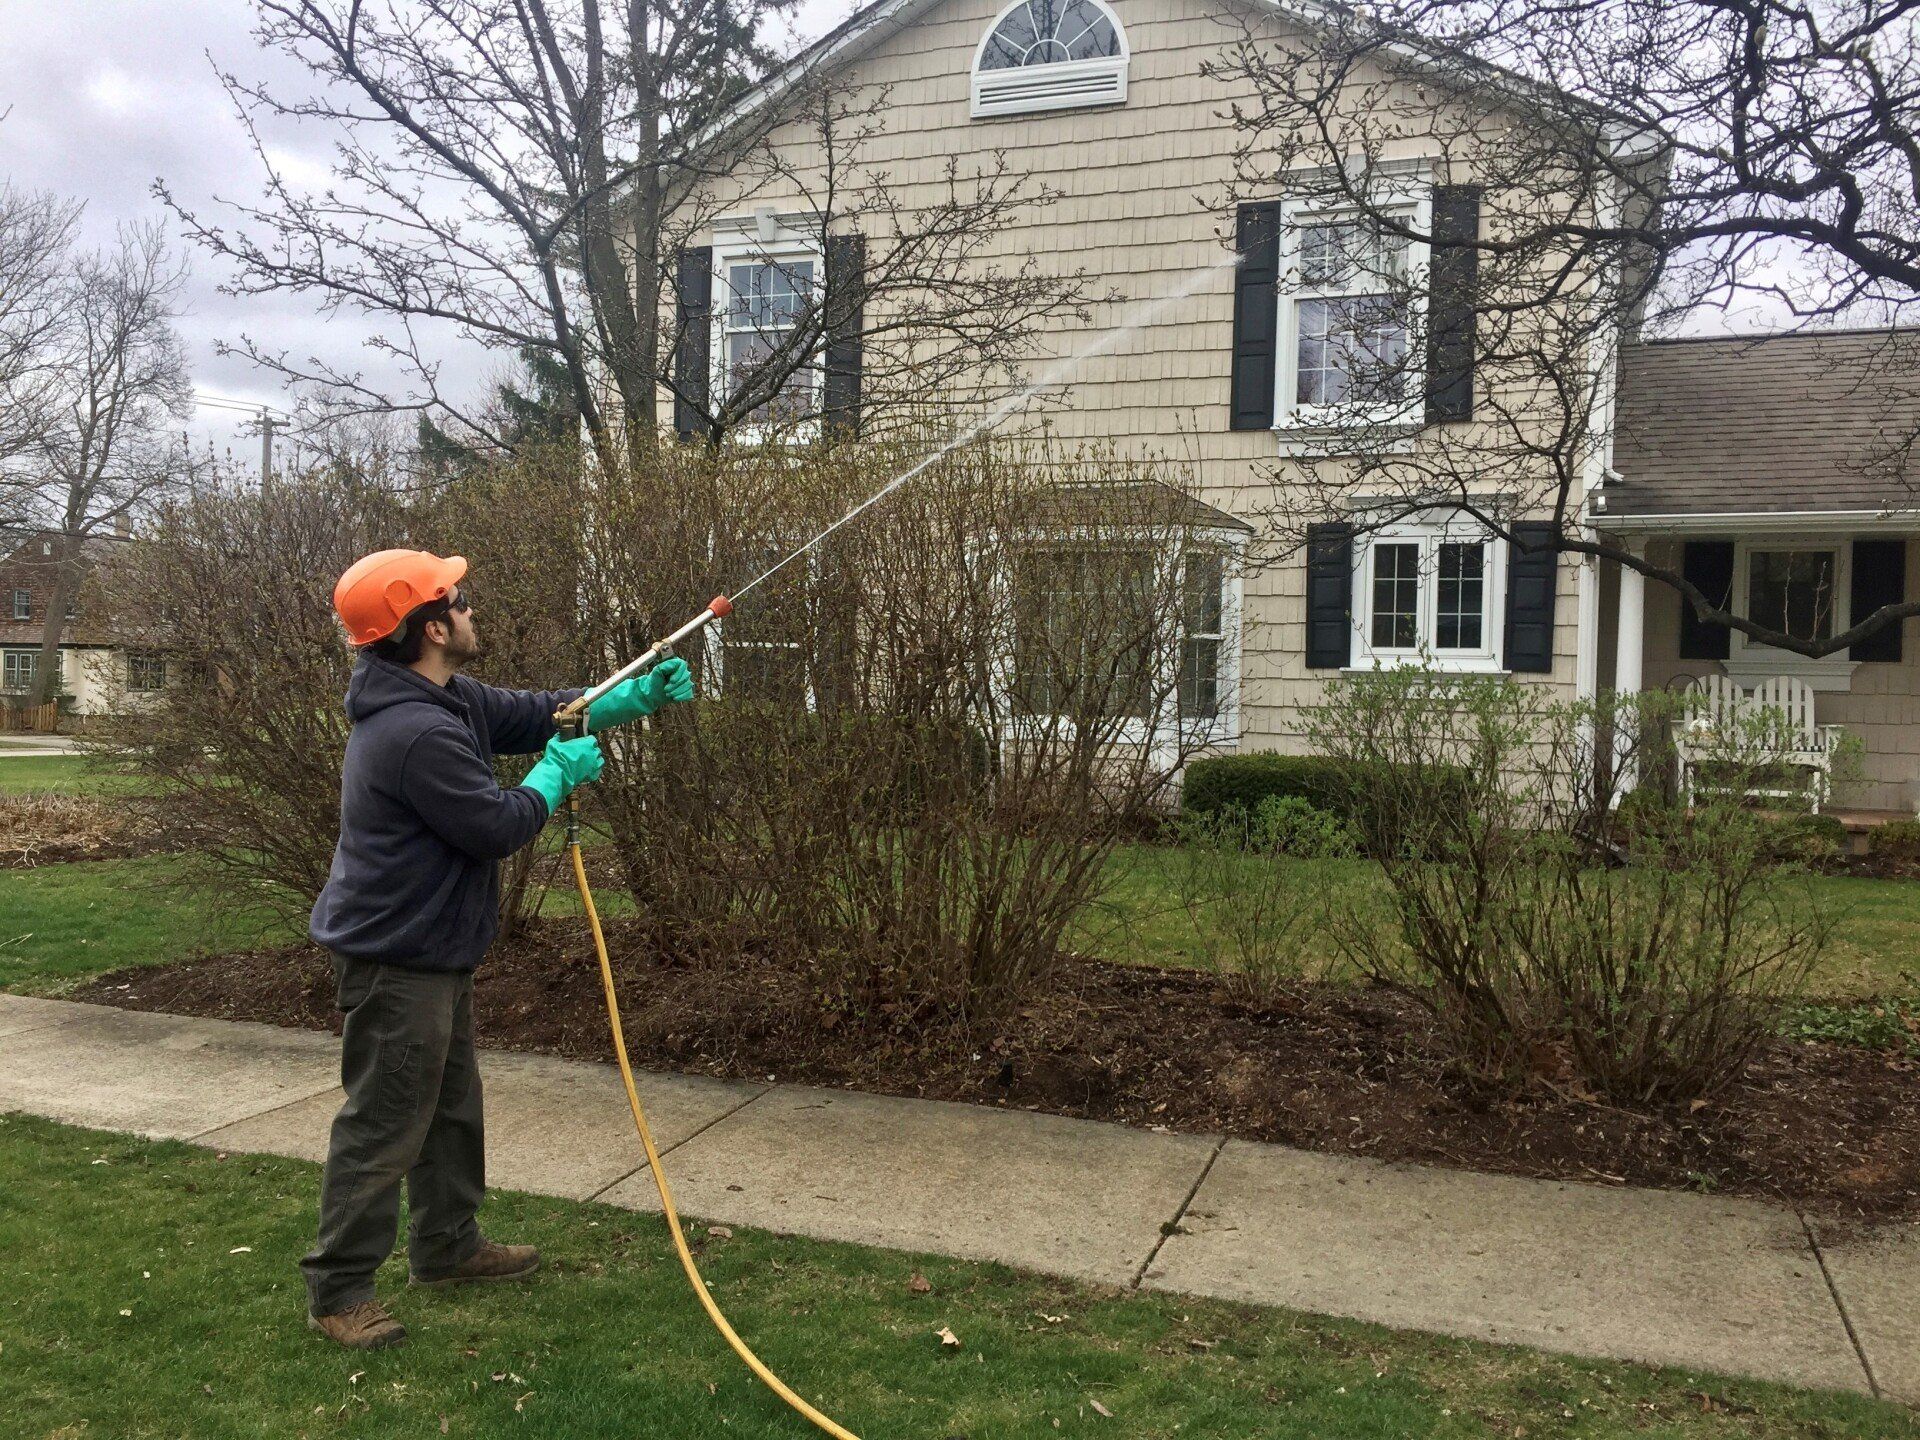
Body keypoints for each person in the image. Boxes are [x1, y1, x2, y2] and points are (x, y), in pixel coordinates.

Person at [301, 548, 694, 1349]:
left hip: (433, 949)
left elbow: (535, 711)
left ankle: (447, 1246)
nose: (473, 610)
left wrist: (628, 699)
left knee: (449, 1112)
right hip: (395, 959)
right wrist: (554, 778)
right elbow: (495, 825)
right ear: (433, 627)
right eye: (461, 600)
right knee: (383, 1127)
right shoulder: (413, 732)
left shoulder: (442, 697)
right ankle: (340, 1293)